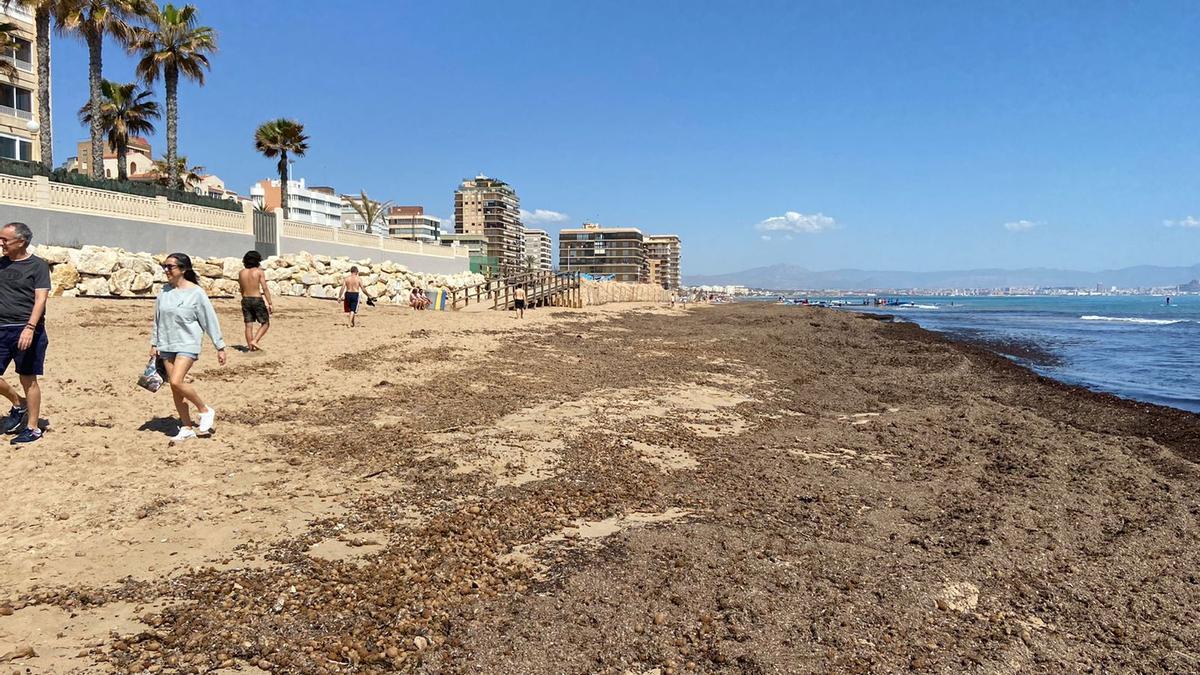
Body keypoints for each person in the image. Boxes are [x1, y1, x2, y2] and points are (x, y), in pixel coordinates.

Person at [150, 253, 227, 443]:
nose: (166, 270)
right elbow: (157, 320)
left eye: (170, 267)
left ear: (183, 269)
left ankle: (205, 410)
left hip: (188, 343)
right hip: (167, 344)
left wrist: (220, 345)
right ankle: (186, 427)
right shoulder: (164, 291)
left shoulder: (196, 293)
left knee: (176, 381)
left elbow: (209, 319)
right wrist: (154, 343)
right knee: (175, 390)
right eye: (164, 266)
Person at [0, 222, 51, 445]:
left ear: (21, 241)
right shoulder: (1, 264)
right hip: (1, 328)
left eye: (4, 240)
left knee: (28, 379)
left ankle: (33, 428)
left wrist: (30, 328)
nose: (1, 243)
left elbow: (41, 299)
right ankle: (18, 403)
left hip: (27, 330)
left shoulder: (37, 266)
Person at [238, 250, 272, 351]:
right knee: (265, 323)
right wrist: (270, 303)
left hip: (245, 299)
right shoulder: (259, 272)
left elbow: (241, 288)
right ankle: (255, 340)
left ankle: (250, 348)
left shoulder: (241, 273)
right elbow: (265, 288)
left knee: (248, 325)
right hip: (257, 299)